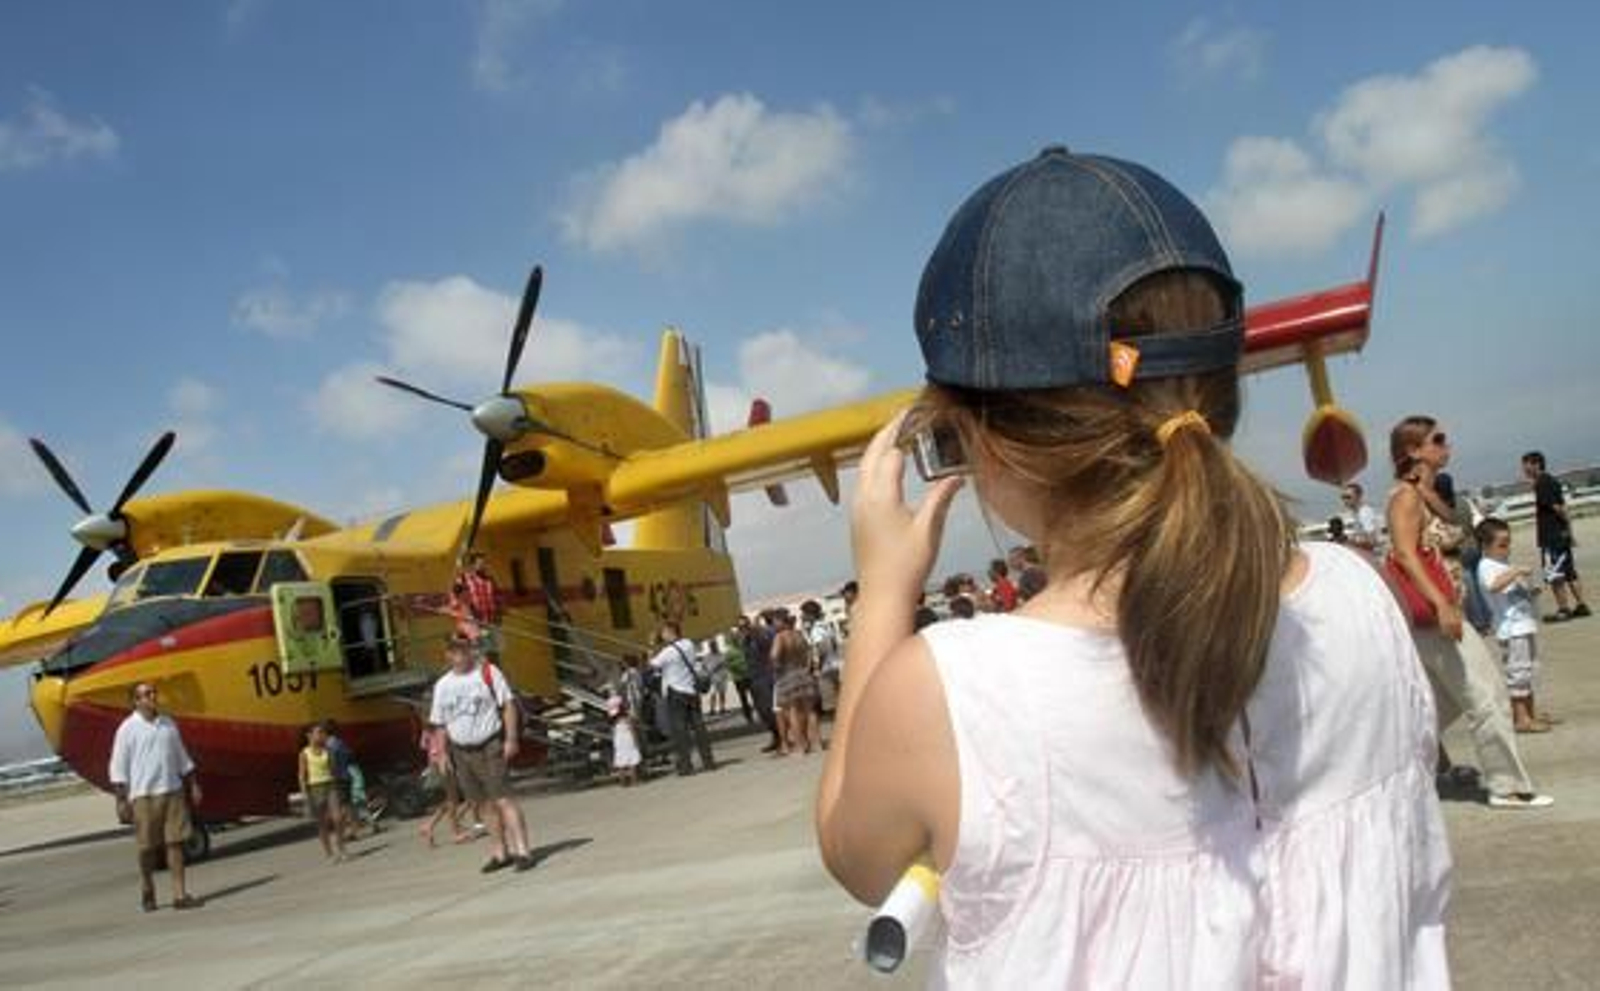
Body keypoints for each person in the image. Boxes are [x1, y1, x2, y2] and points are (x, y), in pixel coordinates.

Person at [816, 146, 1451, 987]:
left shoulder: (958, 691)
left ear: (982, 442)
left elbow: (857, 854)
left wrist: (883, 593)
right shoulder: (1359, 594)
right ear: (1222, 383)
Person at [1387, 416, 1552, 809]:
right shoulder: (1405, 497)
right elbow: (1405, 554)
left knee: (1437, 708)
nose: (1447, 445)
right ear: (1413, 451)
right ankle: (1507, 786)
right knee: (1488, 697)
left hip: (1441, 615)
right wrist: (1442, 604)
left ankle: (1390, 768)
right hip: (1435, 617)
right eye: (1437, 440)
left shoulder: (1425, 495)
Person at [429, 634, 537, 872]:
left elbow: (507, 705)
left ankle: (522, 851)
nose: (459, 654)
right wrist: (442, 752)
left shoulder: (488, 672)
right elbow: (440, 723)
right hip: (461, 751)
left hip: (490, 745)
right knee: (482, 804)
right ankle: (500, 853)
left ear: (470, 650)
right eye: (454, 650)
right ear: (448, 654)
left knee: (503, 797)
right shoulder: (442, 685)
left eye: (463, 649)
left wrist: (510, 738)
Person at [109, 682, 203, 912]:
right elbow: (118, 766)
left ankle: (179, 895)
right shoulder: (127, 729)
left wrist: (193, 785)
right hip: (143, 795)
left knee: (175, 843)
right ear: (136, 701)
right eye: (146, 694)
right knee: (146, 848)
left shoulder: (168, 724)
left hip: (172, 789)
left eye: (153, 693)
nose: (152, 696)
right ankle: (147, 887)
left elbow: (182, 757)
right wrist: (121, 800)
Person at [1475, 517, 1554, 733]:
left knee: (1528, 671)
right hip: (1512, 629)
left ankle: (1530, 712)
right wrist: (1516, 571)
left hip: (1523, 625)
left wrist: (1531, 591)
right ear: (1485, 545)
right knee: (1518, 672)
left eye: (1509, 543)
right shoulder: (1486, 565)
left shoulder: (1502, 565)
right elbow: (1494, 586)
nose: (1507, 548)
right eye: (1502, 544)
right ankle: (1521, 718)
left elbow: (1514, 589)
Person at [1522, 451, 1589, 621]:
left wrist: (1568, 528)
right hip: (1561, 534)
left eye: (1526, 464)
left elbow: (1558, 509)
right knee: (1570, 572)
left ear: (1536, 464)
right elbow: (1563, 507)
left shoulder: (1542, 483)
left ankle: (1563, 609)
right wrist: (1569, 532)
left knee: (1554, 574)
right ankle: (1581, 605)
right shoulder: (1551, 481)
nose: (1524, 468)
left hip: (1551, 537)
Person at [648, 622, 716, 775]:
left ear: (671, 632)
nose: (662, 635)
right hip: (691, 690)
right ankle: (709, 761)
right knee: (699, 727)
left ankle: (686, 766)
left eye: (664, 632)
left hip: (676, 692)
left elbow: (652, 664)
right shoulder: (688, 644)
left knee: (680, 731)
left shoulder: (668, 651)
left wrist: (652, 646)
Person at [771, 611, 821, 754]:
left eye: (775, 622)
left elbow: (774, 656)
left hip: (788, 674)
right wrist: (807, 667)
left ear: (782, 621)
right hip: (804, 674)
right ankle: (816, 743)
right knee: (810, 710)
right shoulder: (799, 634)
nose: (774, 625)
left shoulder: (780, 637)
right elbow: (810, 652)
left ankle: (801, 745)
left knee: (792, 711)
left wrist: (777, 667)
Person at [299, 722, 348, 862]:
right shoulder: (304, 753)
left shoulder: (328, 751)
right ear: (309, 735)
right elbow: (302, 776)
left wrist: (338, 784)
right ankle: (329, 853)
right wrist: (305, 796)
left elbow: (334, 769)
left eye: (322, 732)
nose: (321, 735)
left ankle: (341, 847)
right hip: (315, 788)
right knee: (322, 824)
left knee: (338, 818)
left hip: (330, 785)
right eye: (318, 732)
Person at [417, 723, 472, 847]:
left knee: (451, 799)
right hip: (444, 764)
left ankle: (429, 825)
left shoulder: (427, 727)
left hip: (436, 763)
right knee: (453, 800)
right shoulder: (441, 725)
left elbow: (423, 745)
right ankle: (455, 833)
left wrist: (432, 746)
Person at [454, 551, 504, 658]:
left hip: (491, 621)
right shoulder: (465, 579)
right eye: (480, 564)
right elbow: (456, 595)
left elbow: (497, 597)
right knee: (480, 654)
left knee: (494, 653)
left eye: (484, 564)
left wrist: (499, 613)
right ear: (472, 565)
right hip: (475, 623)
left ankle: (494, 673)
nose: (483, 566)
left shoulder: (490, 580)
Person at [801, 600, 842, 713]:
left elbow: (820, 649)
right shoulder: (826, 626)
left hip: (825, 667)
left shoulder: (816, 630)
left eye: (804, 613)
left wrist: (817, 666)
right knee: (839, 693)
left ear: (810, 614)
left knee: (831, 699)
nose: (802, 616)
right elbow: (834, 644)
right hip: (834, 663)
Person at [1340, 481, 1385, 553]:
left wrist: (1350, 541)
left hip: (1373, 556)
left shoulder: (1364, 513)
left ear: (1358, 497)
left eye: (1348, 497)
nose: (1345, 501)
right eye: (1343, 497)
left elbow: (1372, 540)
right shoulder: (1357, 513)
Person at [607, 693, 642, 786]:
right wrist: (636, 741)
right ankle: (634, 781)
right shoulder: (627, 718)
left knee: (621, 761)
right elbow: (632, 730)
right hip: (628, 739)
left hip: (618, 740)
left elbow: (613, 732)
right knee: (632, 761)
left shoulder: (613, 721)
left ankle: (622, 782)